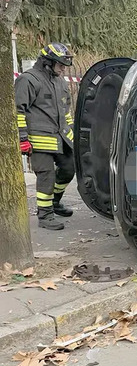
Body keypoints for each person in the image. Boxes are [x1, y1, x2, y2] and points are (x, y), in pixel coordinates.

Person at [15, 43, 76, 230]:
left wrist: (71, 135)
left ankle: (55, 202)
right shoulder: (28, 80)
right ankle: (45, 215)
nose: (63, 69)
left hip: (60, 137)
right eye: (60, 64)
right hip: (38, 139)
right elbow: (18, 110)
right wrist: (22, 138)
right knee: (46, 176)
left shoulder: (60, 82)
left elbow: (65, 112)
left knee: (69, 168)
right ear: (48, 62)